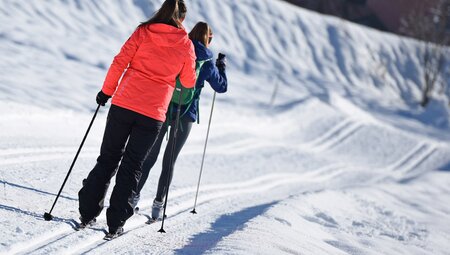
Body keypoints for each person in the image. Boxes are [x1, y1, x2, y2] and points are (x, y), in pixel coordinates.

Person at [77, 0, 196, 239]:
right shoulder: (185, 45)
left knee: (108, 158)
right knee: (132, 166)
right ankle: (116, 222)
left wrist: (106, 91)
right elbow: (188, 81)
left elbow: (120, 61)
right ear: (182, 19)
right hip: (153, 113)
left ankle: (88, 212)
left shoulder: (143, 32)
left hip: (124, 103)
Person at [134, 22, 228, 220]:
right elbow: (221, 87)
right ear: (208, 39)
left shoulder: (180, 49)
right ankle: (158, 206)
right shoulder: (208, 61)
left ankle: (133, 198)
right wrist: (222, 68)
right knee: (170, 160)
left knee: (150, 155)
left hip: (165, 107)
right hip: (186, 114)